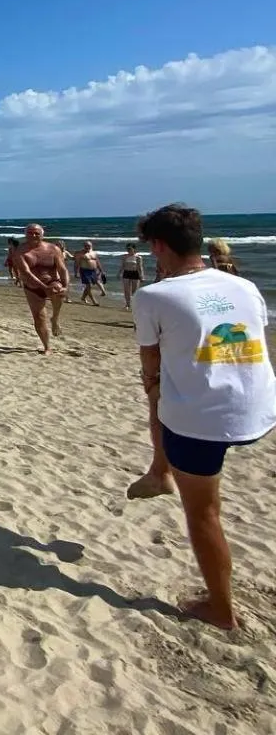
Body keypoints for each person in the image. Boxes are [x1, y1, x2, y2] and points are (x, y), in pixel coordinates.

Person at [124, 204, 274, 630]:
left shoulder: (152, 296)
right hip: (261, 409)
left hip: (202, 423)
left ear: (156, 246)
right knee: (165, 390)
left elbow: (149, 361)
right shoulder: (242, 286)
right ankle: (159, 470)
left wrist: (153, 383)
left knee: (204, 512)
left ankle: (220, 610)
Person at [14, 224, 68, 354]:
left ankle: (55, 318)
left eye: (36, 233)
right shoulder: (20, 252)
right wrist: (44, 287)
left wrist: (66, 286)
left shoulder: (53, 249)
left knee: (58, 289)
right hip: (32, 287)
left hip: (52, 282)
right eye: (30, 233)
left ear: (42, 235)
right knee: (39, 317)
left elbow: (62, 269)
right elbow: (26, 273)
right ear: (25, 235)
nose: (33, 235)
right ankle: (47, 347)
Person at [73, 241, 104, 306]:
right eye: (86, 245)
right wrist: (76, 273)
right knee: (88, 286)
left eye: (89, 245)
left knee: (93, 284)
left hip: (93, 271)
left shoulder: (94, 253)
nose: (87, 247)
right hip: (84, 271)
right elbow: (76, 263)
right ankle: (94, 301)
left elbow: (97, 262)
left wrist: (101, 270)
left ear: (91, 246)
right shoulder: (81, 253)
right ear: (84, 246)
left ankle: (83, 298)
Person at [119, 243, 145, 309]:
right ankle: (127, 304)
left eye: (130, 249)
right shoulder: (125, 256)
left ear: (134, 249)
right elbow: (123, 265)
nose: (128, 250)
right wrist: (119, 273)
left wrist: (141, 276)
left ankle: (134, 304)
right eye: (127, 249)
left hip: (135, 274)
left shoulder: (138, 257)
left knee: (134, 291)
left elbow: (140, 267)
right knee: (126, 290)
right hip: (126, 273)